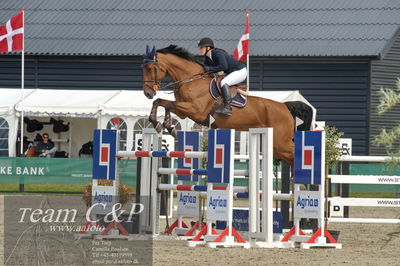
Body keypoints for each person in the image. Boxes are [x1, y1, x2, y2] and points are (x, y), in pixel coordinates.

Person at [198, 37, 247, 116]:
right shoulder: (207, 58)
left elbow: (224, 67)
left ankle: (227, 108)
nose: (199, 49)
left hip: (240, 71)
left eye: (201, 47)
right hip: (232, 72)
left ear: (208, 47)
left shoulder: (217, 53)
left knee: (224, 82)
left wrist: (209, 69)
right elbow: (207, 71)